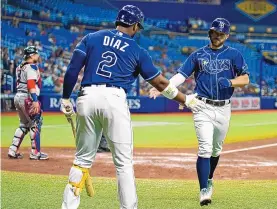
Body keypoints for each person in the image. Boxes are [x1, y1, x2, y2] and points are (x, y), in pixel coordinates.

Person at [60, 5, 201, 209]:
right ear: (135, 26)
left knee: (81, 160)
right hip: (114, 98)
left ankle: (68, 206)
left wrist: (65, 98)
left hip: (87, 96)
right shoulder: (137, 50)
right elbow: (160, 83)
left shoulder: (91, 38)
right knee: (123, 163)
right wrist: (184, 100)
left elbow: (73, 68)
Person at [150, 18, 250, 206]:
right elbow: (181, 76)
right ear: (209, 33)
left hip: (224, 107)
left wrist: (230, 82)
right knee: (204, 148)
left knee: (216, 149)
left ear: (227, 36)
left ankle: (209, 178)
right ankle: (204, 189)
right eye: (214, 32)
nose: (217, 36)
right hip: (201, 106)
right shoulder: (198, 55)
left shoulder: (234, 55)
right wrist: (163, 87)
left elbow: (245, 79)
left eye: (221, 34)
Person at [8, 46, 48, 160]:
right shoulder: (31, 67)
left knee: (24, 125)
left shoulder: (20, 67)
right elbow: (31, 83)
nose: (38, 56)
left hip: (18, 96)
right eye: (36, 54)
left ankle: (12, 150)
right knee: (36, 123)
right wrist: (35, 100)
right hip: (27, 97)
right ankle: (35, 153)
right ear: (31, 56)